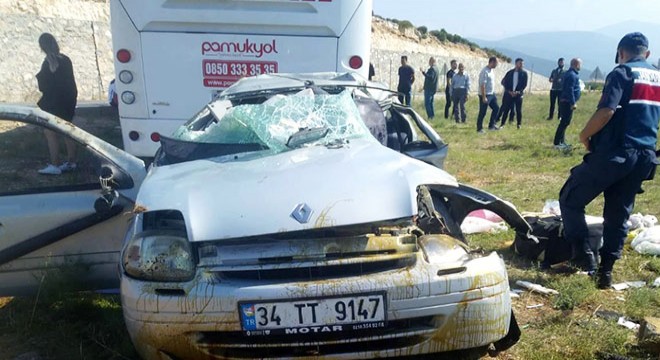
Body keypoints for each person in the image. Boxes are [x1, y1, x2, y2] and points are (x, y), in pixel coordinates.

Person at [558, 32, 660, 289]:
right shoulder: (657, 77)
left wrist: (584, 135)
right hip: (645, 155)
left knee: (571, 198)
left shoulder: (622, 72)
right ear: (646, 54)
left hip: (615, 152)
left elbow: (606, 111)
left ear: (621, 52)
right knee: (618, 213)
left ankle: (583, 258)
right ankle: (606, 272)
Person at [35, 32, 78, 175]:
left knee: (50, 132)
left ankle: (55, 164)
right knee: (67, 131)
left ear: (42, 47)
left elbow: (44, 86)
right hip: (68, 101)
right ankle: (72, 162)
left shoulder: (47, 62)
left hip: (54, 103)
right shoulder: (66, 60)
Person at [553, 58, 582, 148]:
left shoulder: (569, 73)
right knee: (564, 122)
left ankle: (562, 142)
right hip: (567, 102)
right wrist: (573, 103)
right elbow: (570, 90)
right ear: (576, 64)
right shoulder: (572, 75)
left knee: (565, 122)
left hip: (565, 101)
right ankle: (557, 143)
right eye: (580, 64)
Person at [499, 58, 528, 129]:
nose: (521, 65)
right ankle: (502, 124)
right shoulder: (510, 73)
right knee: (506, 109)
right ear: (516, 64)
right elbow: (505, 83)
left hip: (518, 94)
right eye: (520, 63)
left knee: (518, 110)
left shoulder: (524, 74)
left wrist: (518, 92)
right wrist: (509, 91)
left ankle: (519, 124)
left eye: (522, 63)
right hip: (509, 94)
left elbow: (524, 85)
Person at [476, 56, 500, 133]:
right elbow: (482, 85)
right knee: (483, 112)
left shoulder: (491, 70)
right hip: (485, 95)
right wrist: (484, 97)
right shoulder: (485, 71)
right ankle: (479, 129)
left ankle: (491, 125)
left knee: (496, 108)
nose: (497, 64)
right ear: (492, 62)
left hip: (491, 94)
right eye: (496, 63)